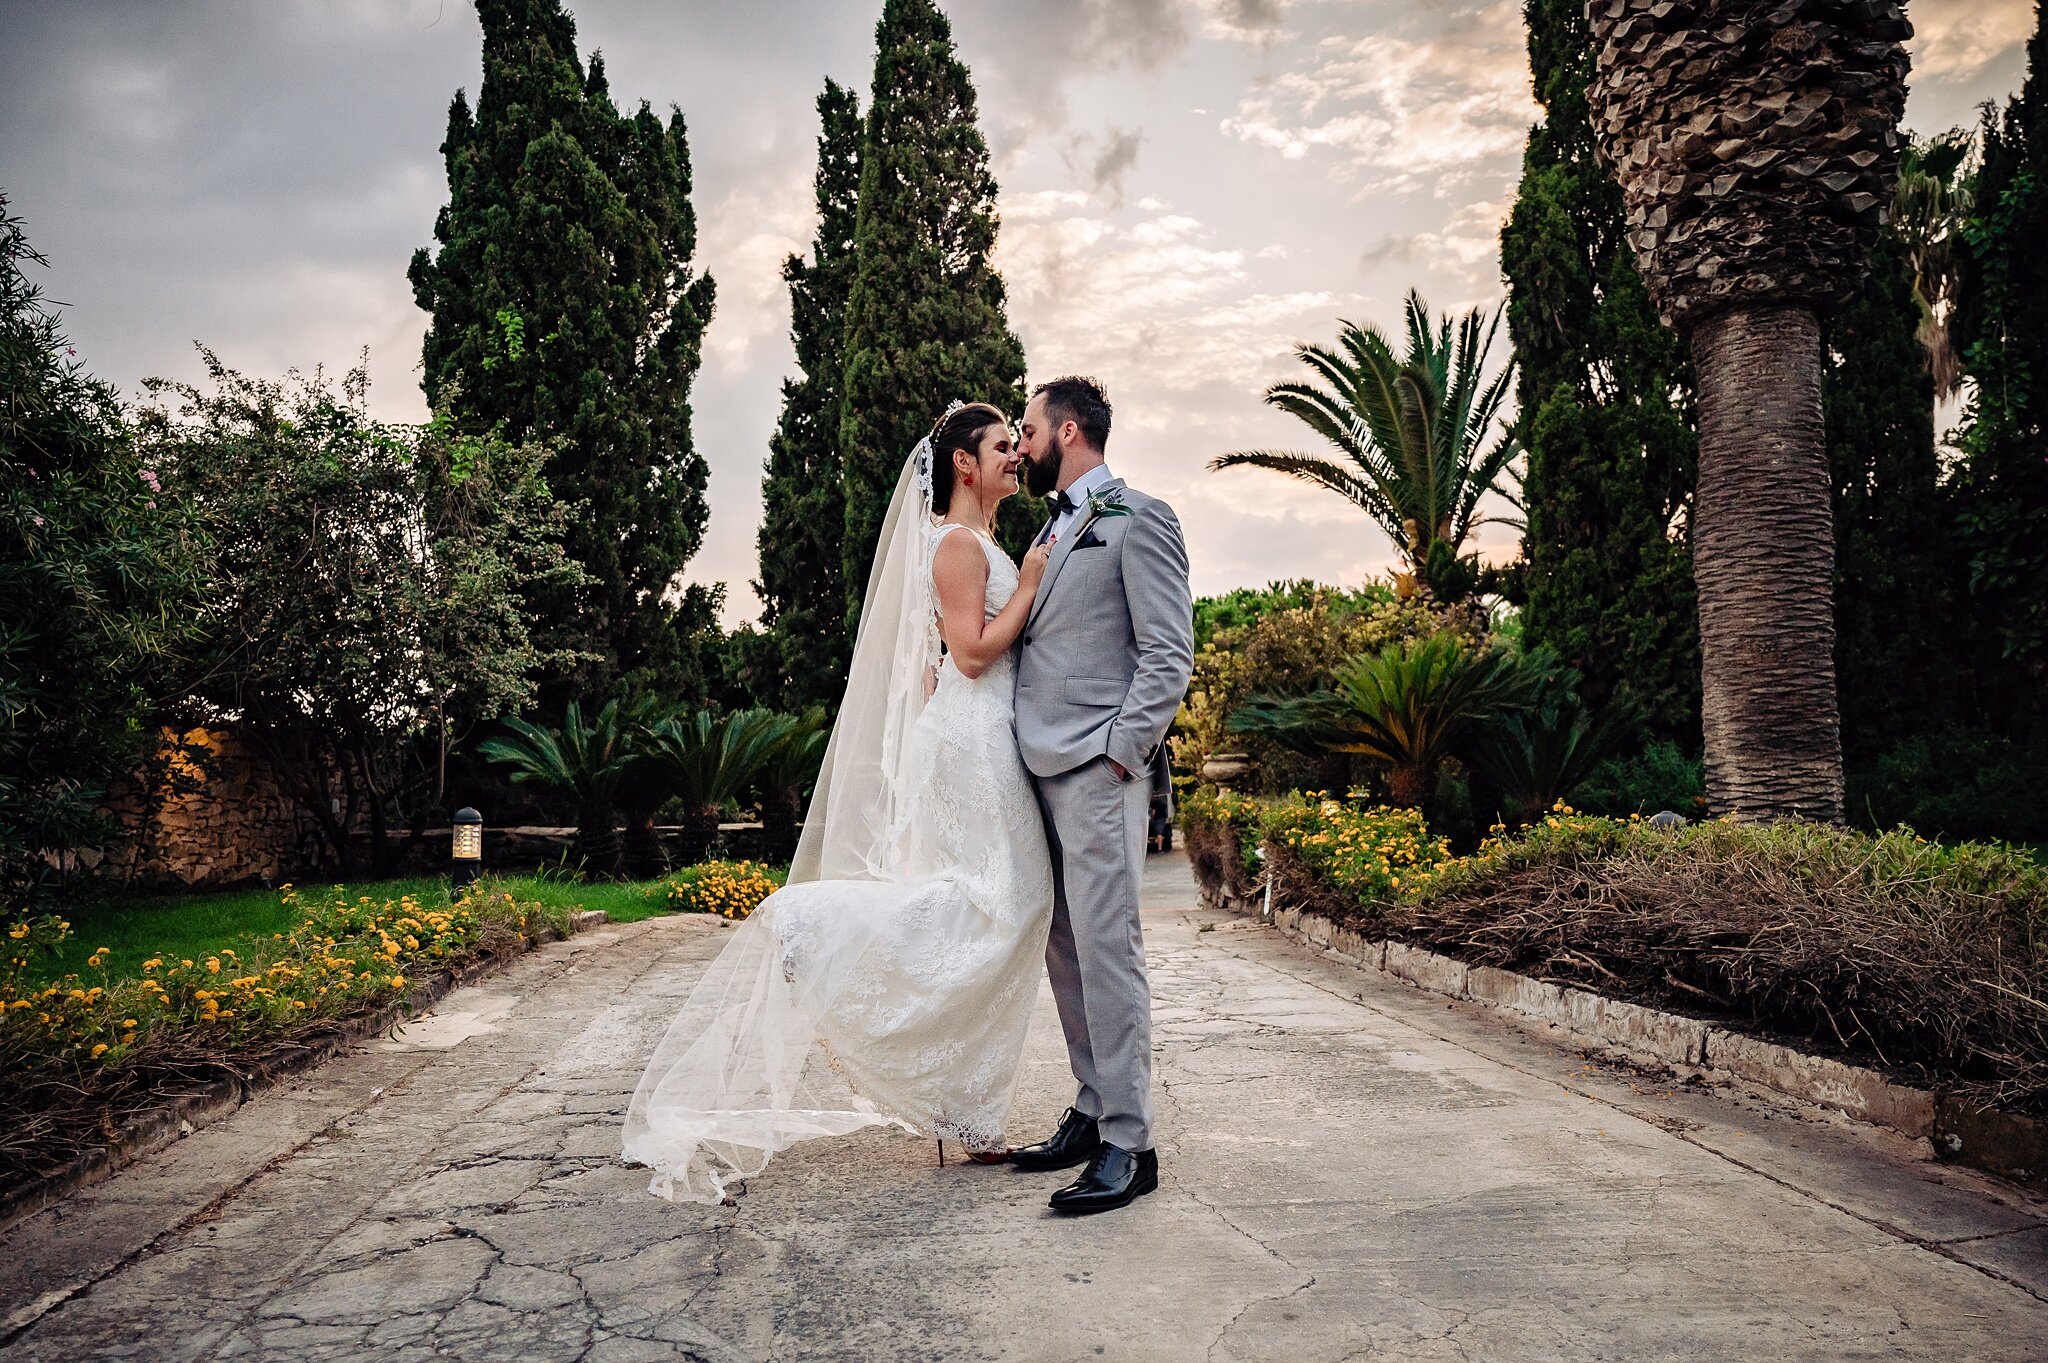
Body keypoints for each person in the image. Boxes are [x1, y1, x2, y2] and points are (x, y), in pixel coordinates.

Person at [622, 401, 1055, 1204]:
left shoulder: (974, 541)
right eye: (1001, 446)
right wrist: (1028, 586)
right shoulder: (962, 545)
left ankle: (966, 1105)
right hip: (976, 735)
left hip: (975, 733)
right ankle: (817, 929)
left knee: (1004, 903)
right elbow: (967, 655)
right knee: (1006, 901)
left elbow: (933, 666)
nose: (1013, 458)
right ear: (963, 463)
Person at [1006, 376, 1195, 1214]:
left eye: (1030, 426)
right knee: (1064, 946)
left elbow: (1168, 653)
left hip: (1094, 766)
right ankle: (1091, 1104)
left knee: (1108, 948)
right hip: (1036, 769)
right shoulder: (1052, 527)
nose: (1020, 441)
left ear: (1070, 431)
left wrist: (1122, 757)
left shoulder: (1139, 518)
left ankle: (1130, 1140)